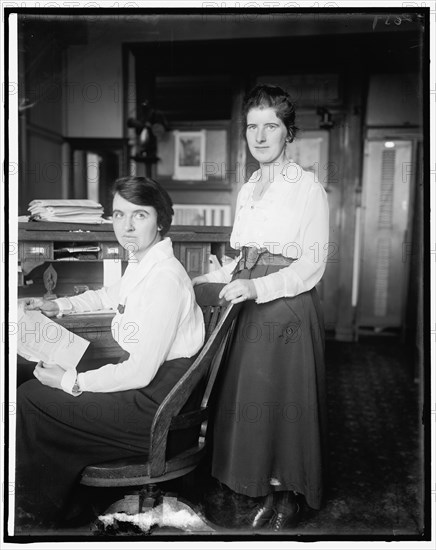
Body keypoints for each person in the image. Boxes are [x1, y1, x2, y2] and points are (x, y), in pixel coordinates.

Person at [15, 176, 205, 530]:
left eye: (140, 215)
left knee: (30, 396)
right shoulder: (144, 262)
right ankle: (63, 505)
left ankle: (37, 517)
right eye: (119, 215)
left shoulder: (164, 279)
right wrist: (59, 306)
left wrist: (70, 381)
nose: (127, 226)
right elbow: (109, 294)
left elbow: (139, 373)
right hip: (157, 394)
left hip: (161, 412)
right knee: (36, 385)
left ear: (160, 220)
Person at [192, 84, 329, 531]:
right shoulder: (249, 187)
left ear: (289, 133)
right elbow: (244, 254)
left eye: (271, 126)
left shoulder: (307, 187)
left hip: (285, 308)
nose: (260, 135)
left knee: (282, 402)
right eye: (253, 126)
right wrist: (214, 277)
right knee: (248, 400)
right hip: (247, 302)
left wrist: (257, 288)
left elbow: (311, 264)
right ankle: (252, 489)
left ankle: (286, 494)